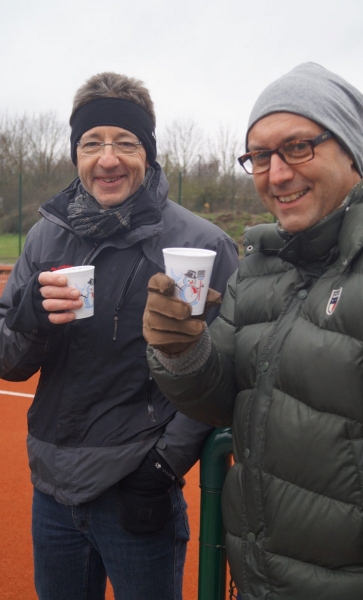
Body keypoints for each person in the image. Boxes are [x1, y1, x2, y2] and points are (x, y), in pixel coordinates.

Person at [144, 62, 363, 599]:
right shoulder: (260, 263)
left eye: (298, 147)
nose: (276, 174)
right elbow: (222, 402)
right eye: (259, 157)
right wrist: (182, 350)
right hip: (260, 580)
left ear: (349, 152)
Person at [0, 72, 238, 600]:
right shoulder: (44, 237)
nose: (107, 159)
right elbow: (8, 362)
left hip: (138, 486)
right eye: (92, 143)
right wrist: (28, 316)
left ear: (148, 152)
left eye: (125, 142)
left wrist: (163, 465)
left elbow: (223, 370)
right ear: (76, 155)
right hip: (52, 490)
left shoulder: (203, 245)